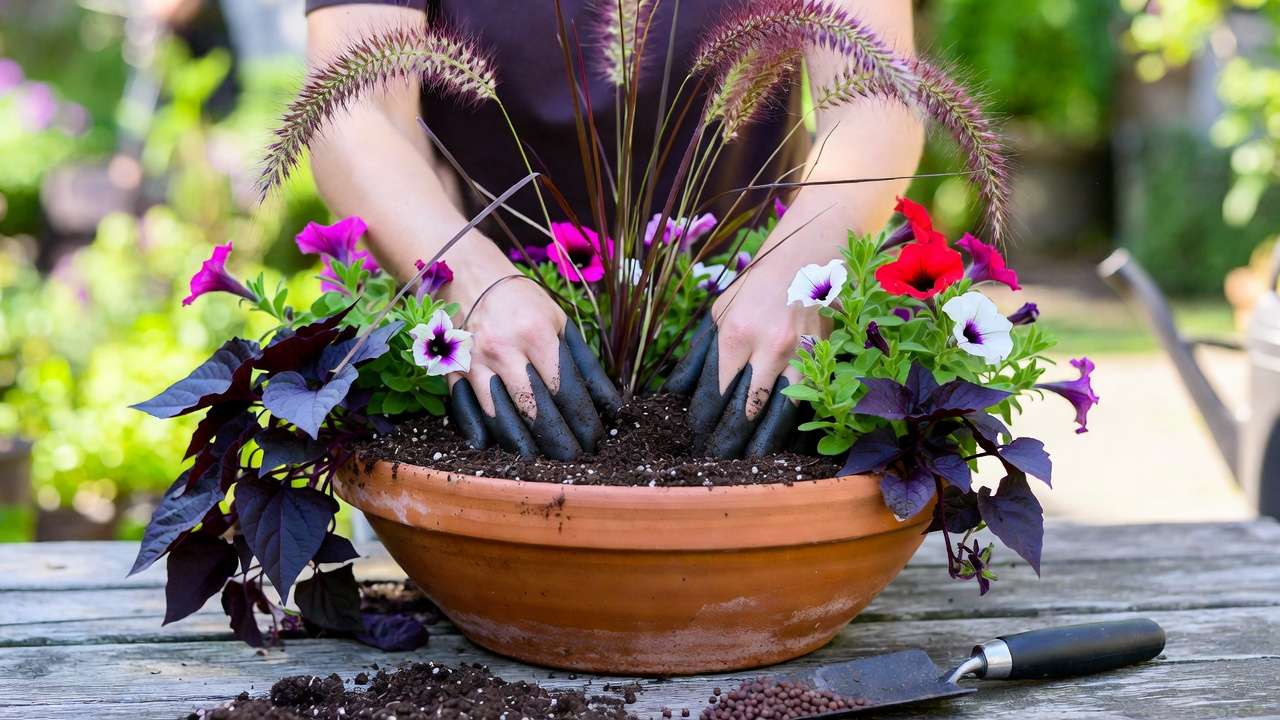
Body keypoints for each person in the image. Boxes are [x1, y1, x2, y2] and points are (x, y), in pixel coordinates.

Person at [304, 0, 924, 459]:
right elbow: (355, 109)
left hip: (751, 352)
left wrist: (802, 270)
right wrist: (462, 279)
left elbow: (873, 97)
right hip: (496, 364)